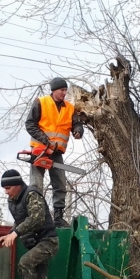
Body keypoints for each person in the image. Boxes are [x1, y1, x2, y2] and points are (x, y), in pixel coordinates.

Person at [25, 76, 84, 228]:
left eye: (65, 90)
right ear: (54, 90)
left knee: (60, 183)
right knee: (36, 184)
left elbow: (77, 123)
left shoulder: (70, 108)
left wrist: (78, 130)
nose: (64, 93)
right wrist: (44, 140)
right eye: (62, 90)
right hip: (40, 149)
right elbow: (30, 124)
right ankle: (35, 215)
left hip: (57, 152)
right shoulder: (41, 102)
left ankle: (58, 216)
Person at [0, 169, 59, 279]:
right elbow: (20, 220)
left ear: (18, 185)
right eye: (4, 188)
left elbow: (37, 218)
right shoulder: (13, 201)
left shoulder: (32, 194)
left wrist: (15, 233)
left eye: (8, 188)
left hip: (48, 241)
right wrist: (8, 234)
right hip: (33, 244)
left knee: (25, 263)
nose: (6, 192)